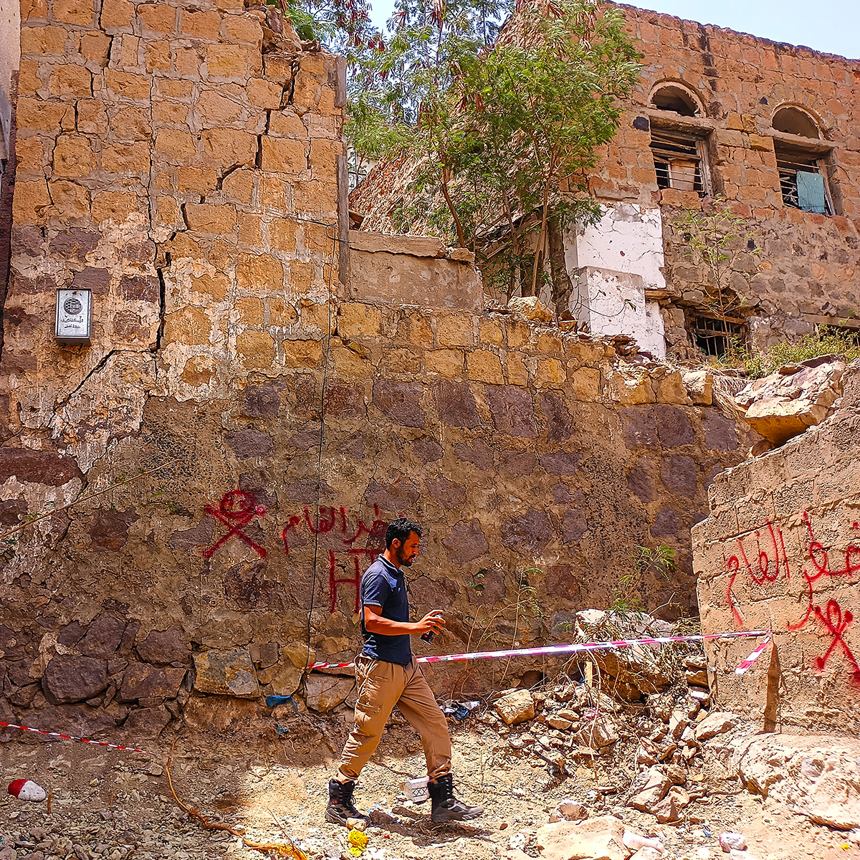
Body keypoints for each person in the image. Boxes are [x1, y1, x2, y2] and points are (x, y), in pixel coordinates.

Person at [326, 517, 483, 826]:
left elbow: (391, 623)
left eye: (418, 547)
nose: (416, 552)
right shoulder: (378, 575)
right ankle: (339, 799)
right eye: (413, 546)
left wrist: (419, 628)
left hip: (407, 668)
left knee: (435, 723)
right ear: (395, 544)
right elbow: (370, 621)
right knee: (367, 734)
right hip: (382, 668)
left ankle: (443, 800)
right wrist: (414, 627)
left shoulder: (395, 573)